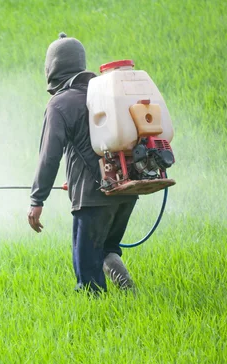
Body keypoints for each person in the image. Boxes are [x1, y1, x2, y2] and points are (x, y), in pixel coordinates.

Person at [28, 33, 137, 294]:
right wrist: (74, 181)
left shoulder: (60, 103)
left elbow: (49, 156)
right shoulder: (103, 93)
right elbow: (93, 143)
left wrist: (36, 200)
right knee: (107, 247)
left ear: (52, 67)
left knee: (87, 273)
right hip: (127, 188)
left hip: (93, 198)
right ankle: (128, 290)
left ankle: (97, 316)